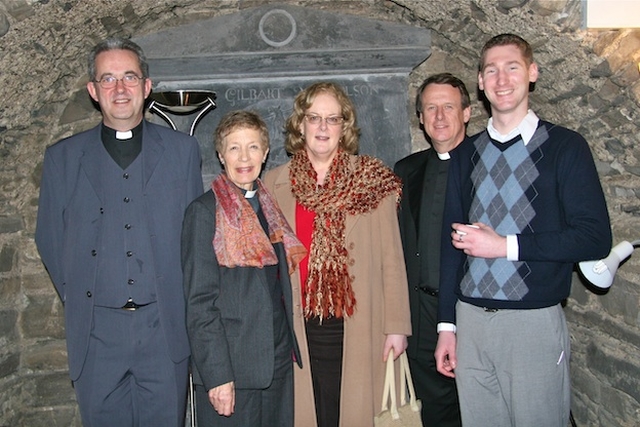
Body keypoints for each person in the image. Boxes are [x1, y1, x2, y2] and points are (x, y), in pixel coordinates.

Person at [435, 33, 612, 427]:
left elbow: (594, 237)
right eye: (492, 70)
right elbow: (450, 247)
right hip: (472, 321)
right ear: (480, 81)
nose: (501, 79)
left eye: (512, 67)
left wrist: (505, 246)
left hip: (532, 321)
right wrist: (447, 325)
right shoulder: (465, 154)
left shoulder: (566, 147)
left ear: (532, 73)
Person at [34, 37, 203, 426]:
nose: (120, 89)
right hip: (97, 337)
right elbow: (50, 240)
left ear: (146, 86)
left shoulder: (182, 153)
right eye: (107, 79)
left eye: (129, 77)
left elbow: (194, 239)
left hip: (164, 333)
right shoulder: (62, 159)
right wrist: (86, 299)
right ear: (93, 91)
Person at [263, 81, 411, 427]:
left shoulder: (372, 179)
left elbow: (392, 259)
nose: (323, 127)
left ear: (345, 126)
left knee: (356, 412)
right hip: (298, 325)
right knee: (309, 410)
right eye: (314, 118)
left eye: (333, 119)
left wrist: (397, 327)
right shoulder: (273, 184)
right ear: (300, 124)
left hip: (361, 322)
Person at [181, 110, 306, 426]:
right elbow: (199, 304)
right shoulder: (203, 212)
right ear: (221, 156)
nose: (244, 157)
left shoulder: (269, 208)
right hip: (232, 371)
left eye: (252, 147)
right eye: (234, 148)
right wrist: (217, 375)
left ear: (265, 153)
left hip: (277, 364)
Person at [394, 72, 469, 427]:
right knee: (433, 415)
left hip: (474, 313)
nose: (439, 117)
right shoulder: (406, 170)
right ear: (421, 119)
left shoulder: (487, 166)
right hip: (421, 313)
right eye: (430, 108)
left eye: (448, 107)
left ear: (467, 113)